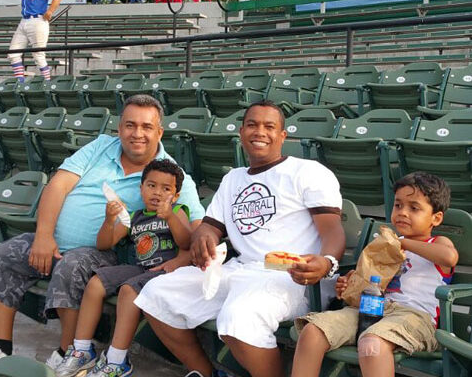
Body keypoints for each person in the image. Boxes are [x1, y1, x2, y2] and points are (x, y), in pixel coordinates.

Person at [0, 95, 204, 372]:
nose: (137, 133)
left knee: (72, 266)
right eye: (130, 125)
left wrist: (182, 259)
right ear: (119, 128)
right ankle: (0, 348)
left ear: (159, 132)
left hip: (106, 253)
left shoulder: (169, 175)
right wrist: (44, 236)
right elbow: (58, 186)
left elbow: (199, 227)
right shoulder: (101, 147)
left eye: (146, 127)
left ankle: (68, 352)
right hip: (54, 242)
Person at [135, 100, 346, 377]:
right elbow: (210, 226)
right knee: (155, 294)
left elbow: (332, 229)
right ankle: (206, 373)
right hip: (240, 268)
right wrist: (203, 238)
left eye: (269, 126)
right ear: (241, 132)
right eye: (252, 125)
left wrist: (327, 261)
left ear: (283, 136)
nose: (260, 131)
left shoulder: (307, 171)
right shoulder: (233, 178)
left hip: (289, 273)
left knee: (237, 318)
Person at [291, 172, 459, 377]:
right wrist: (350, 284)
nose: (403, 212)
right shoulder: (383, 245)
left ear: (436, 218)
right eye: (398, 205)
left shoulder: (437, 243)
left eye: (414, 208)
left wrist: (402, 242)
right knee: (312, 332)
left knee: (372, 344)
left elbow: (449, 258)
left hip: (414, 317)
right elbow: (368, 279)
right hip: (370, 311)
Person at [54, 158, 192, 377]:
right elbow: (104, 244)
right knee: (96, 283)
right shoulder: (135, 217)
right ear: (141, 188)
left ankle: (117, 361)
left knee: (128, 290)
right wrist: (110, 221)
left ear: (175, 196)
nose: (157, 192)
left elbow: (186, 241)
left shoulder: (178, 210)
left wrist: (171, 217)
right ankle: (81, 350)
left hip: (164, 272)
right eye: (151, 185)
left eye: (166, 189)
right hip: (140, 268)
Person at [9, 0, 62, 82]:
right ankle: (20, 82)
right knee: (13, 54)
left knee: (38, 54)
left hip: (38, 20)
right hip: (24, 20)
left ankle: (47, 81)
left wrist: (50, 11)